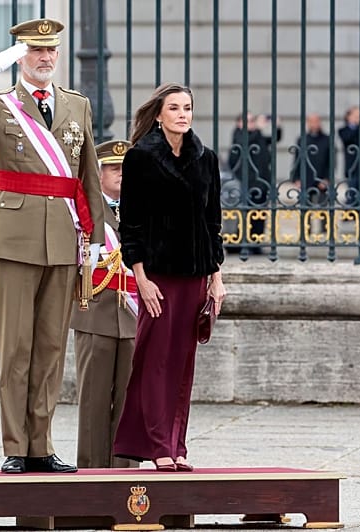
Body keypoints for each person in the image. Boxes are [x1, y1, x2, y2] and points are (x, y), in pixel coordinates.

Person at [0, 18, 104, 474]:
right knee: (16, 348)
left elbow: (87, 174)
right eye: (35, 52)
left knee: (51, 347)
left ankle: (42, 444)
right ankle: (16, 444)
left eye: (51, 51)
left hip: (63, 237)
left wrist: (93, 239)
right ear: (20, 57)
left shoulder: (77, 105)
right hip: (15, 235)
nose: (46, 58)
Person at [112, 82, 226, 471]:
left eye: (187, 108)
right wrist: (141, 278)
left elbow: (213, 223)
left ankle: (178, 446)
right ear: (158, 115)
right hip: (158, 278)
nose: (182, 114)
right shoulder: (140, 158)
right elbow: (132, 224)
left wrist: (216, 277)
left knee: (183, 365)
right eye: (174, 108)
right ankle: (157, 444)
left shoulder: (206, 158)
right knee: (155, 360)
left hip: (195, 276)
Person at [69, 139, 138, 470]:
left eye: (126, 169)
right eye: (114, 169)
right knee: (94, 402)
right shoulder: (85, 209)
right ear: (98, 173)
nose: (122, 175)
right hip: (95, 313)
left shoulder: (143, 209)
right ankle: (93, 478)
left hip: (134, 316)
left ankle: (125, 478)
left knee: (129, 403)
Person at [228, 112, 281, 253]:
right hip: (248, 182)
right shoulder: (239, 134)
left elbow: (275, 138)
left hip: (262, 181)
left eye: (253, 120)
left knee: (260, 214)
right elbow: (243, 143)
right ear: (240, 123)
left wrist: (277, 126)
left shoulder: (258, 136)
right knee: (246, 214)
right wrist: (257, 128)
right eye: (248, 121)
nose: (251, 123)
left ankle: (255, 243)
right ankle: (238, 243)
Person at [290, 113, 332, 205]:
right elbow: (297, 160)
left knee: (323, 209)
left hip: (322, 178)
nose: (314, 124)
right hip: (306, 178)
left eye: (316, 121)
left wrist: (327, 178)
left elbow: (331, 161)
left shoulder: (327, 139)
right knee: (305, 209)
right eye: (311, 121)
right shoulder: (302, 139)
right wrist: (296, 178)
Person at [338, 106, 360, 206]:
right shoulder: (343, 130)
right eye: (356, 115)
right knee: (352, 194)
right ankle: (349, 216)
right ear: (348, 117)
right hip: (352, 167)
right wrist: (356, 125)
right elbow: (347, 138)